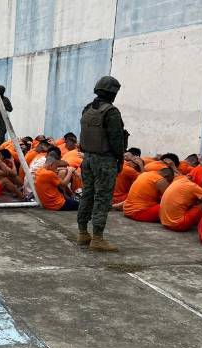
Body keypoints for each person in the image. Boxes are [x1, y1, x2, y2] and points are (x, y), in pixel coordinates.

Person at [77, 76, 128, 252]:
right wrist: (120, 159)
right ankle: (97, 238)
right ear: (112, 93)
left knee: (87, 195)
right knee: (102, 198)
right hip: (105, 161)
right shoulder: (111, 112)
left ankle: (83, 233)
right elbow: (116, 139)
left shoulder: (87, 108)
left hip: (87, 159)